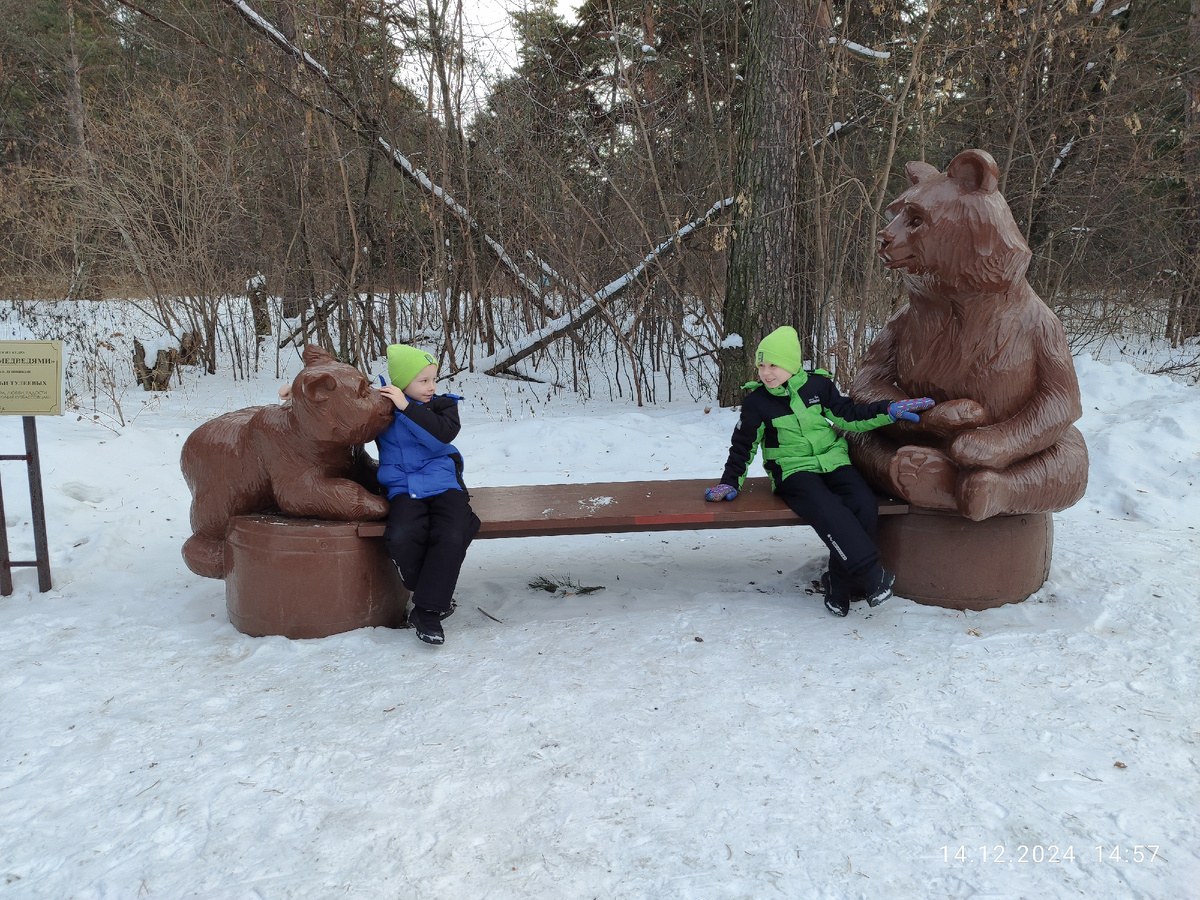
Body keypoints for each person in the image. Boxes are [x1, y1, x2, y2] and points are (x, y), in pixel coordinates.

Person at [705, 326, 934, 617]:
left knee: (863, 504)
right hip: (793, 471)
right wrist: (730, 482)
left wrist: (889, 410)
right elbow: (742, 446)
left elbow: (848, 416)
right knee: (828, 509)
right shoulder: (757, 403)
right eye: (762, 365)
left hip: (832, 460)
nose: (766, 373)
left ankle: (839, 586)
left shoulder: (818, 387)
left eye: (773, 364)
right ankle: (871, 574)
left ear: (791, 364)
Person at [376, 344, 480, 645]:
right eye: (423, 380)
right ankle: (425, 587)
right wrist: (297, 398)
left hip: (443, 484)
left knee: (453, 531)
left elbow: (441, 435)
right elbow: (341, 412)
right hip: (403, 487)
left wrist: (406, 407)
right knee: (401, 535)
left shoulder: (443, 406)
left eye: (434, 378)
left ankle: (428, 610)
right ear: (401, 381)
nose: (432, 386)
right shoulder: (381, 405)